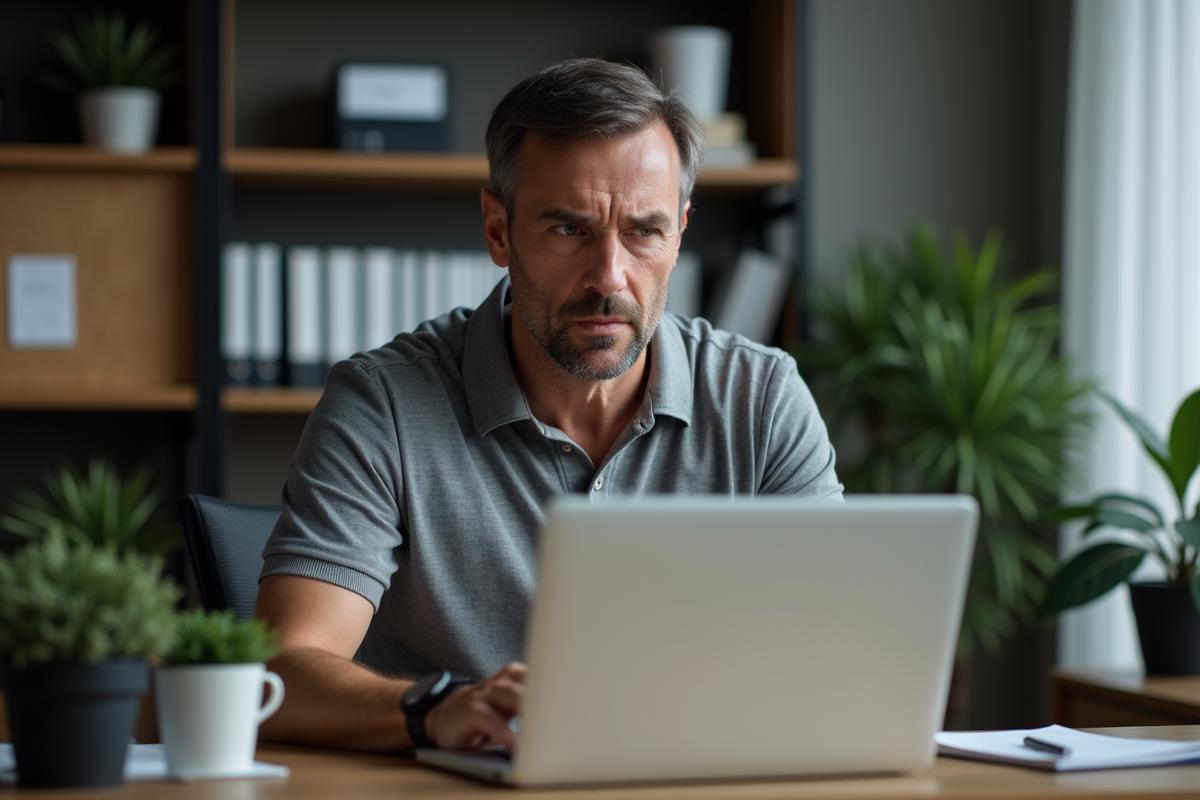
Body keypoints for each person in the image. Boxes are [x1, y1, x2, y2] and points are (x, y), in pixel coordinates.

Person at [255, 58, 842, 754]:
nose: (608, 279)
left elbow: (837, 656)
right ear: (498, 230)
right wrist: (435, 709)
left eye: (644, 231)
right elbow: (278, 669)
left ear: (680, 232)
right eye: (569, 230)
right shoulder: (383, 402)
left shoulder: (763, 400)